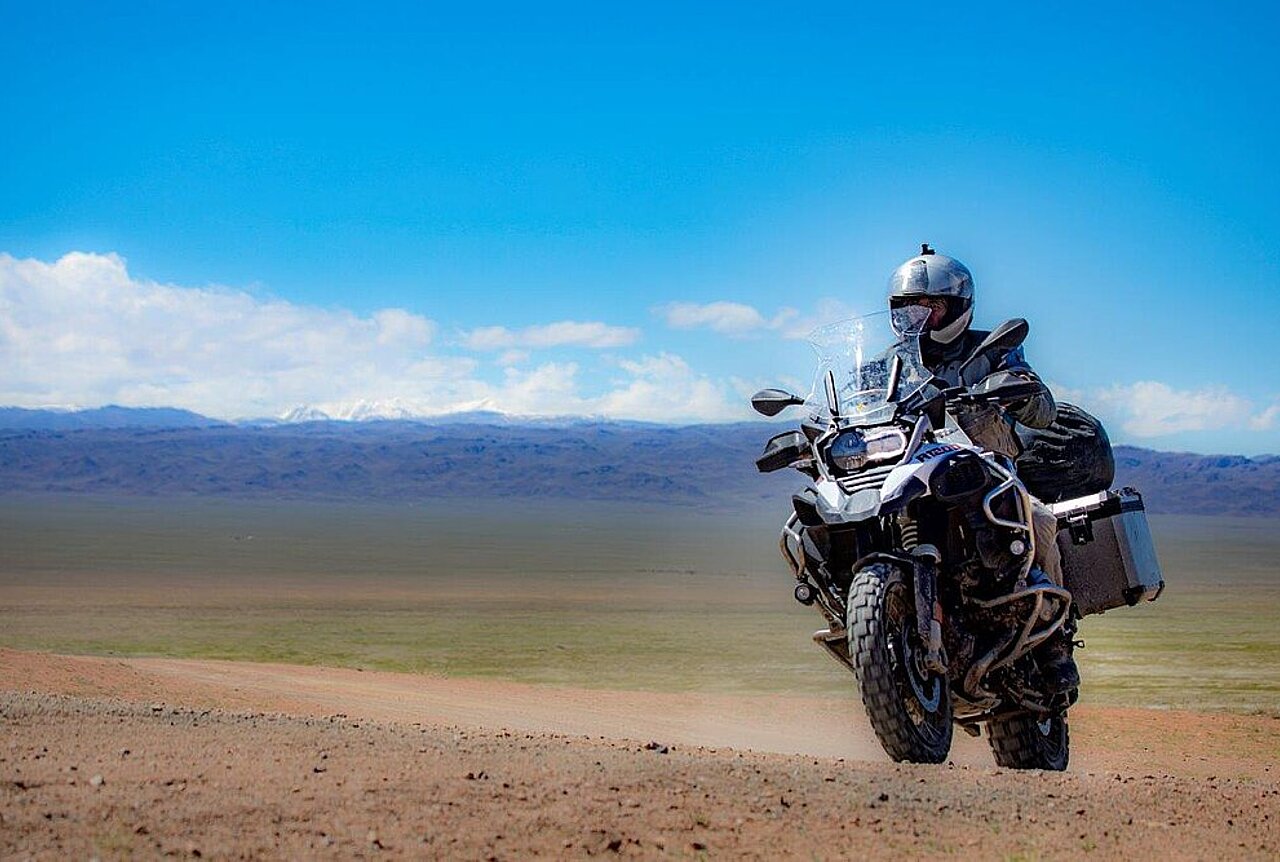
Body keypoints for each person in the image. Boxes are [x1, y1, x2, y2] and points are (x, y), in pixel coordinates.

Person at [887, 244, 1079, 694]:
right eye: (911, 307)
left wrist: (1020, 393)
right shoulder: (889, 364)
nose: (922, 317)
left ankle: (1055, 642)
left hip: (986, 471)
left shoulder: (993, 349)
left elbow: (1044, 411)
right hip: (909, 472)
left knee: (1040, 521)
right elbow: (858, 405)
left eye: (933, 306)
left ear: (958, 308)